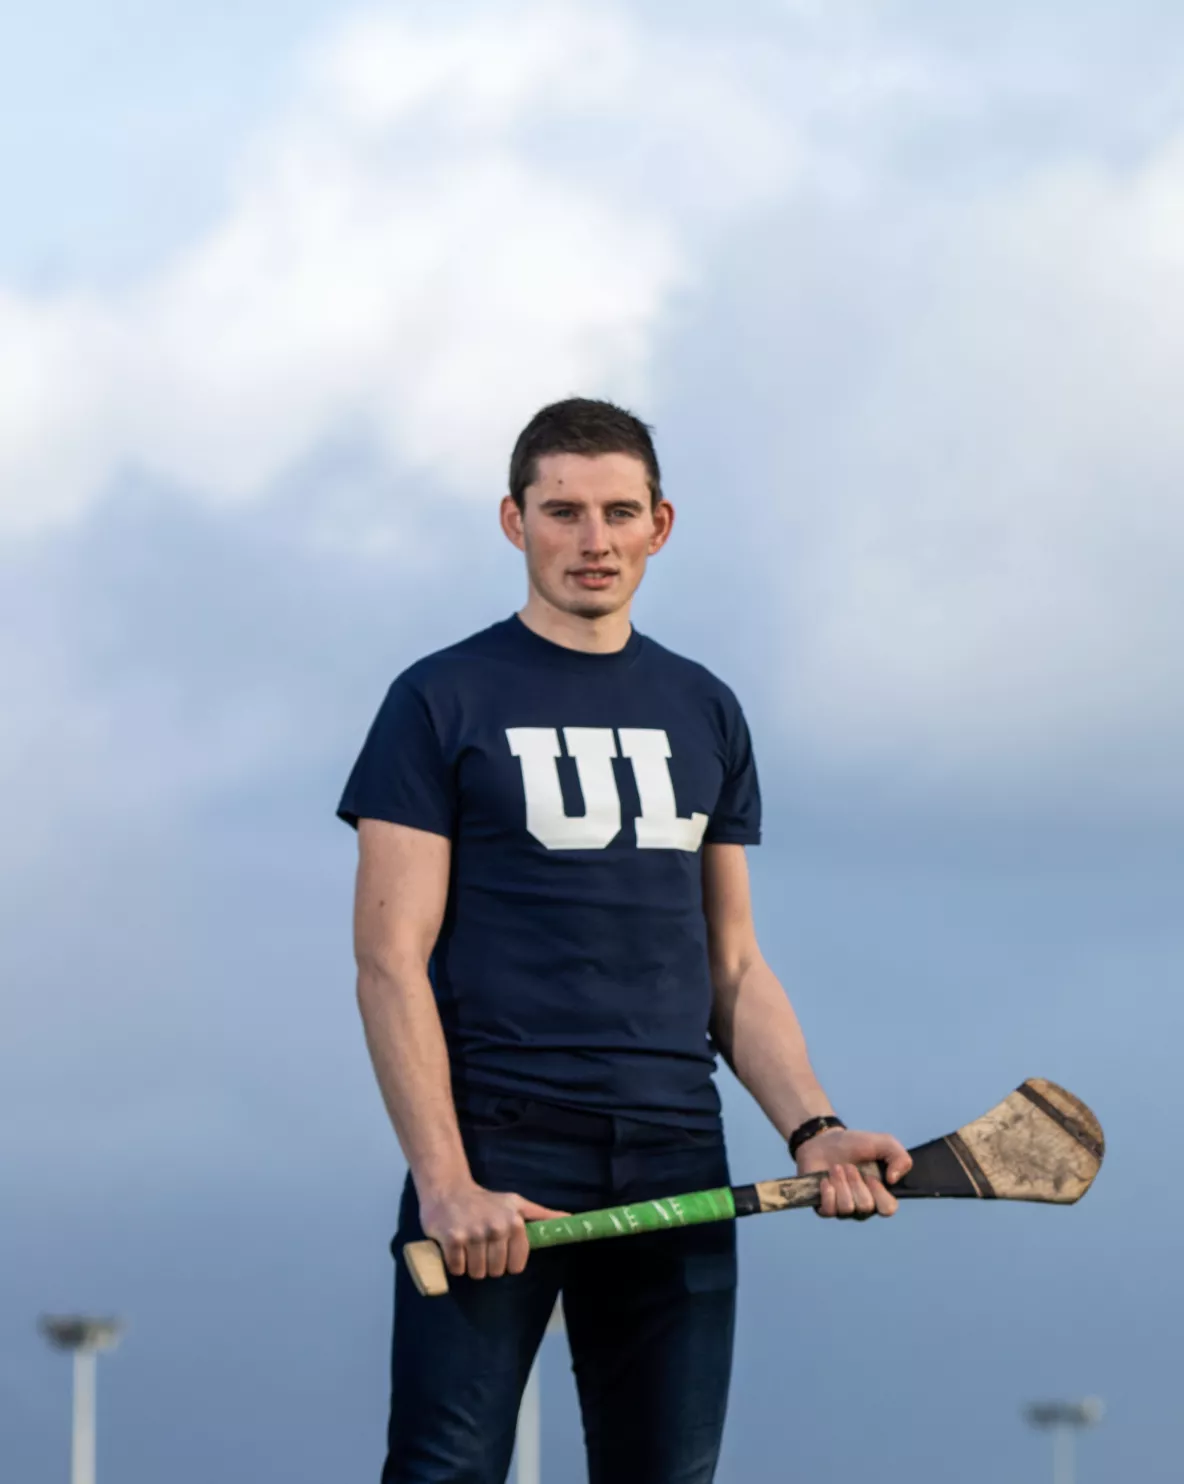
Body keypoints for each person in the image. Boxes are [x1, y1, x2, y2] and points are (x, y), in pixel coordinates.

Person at [338, 398, 912, 1484]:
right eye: (562, 510)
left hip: (673, 1151)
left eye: (617, 511)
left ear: (660, 522)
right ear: (514, 521)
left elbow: (732, 964)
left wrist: (813, 1127)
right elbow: (387, 962)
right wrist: (447, 1181)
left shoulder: (703, 706)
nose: (592, 539)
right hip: (500, 1154)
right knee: (443, 1470)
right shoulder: (437, 698)